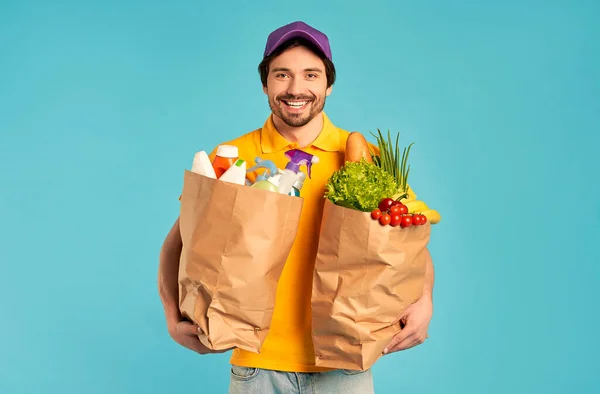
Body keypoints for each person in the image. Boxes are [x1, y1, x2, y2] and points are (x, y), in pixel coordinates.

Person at [158, 21, 435, 393]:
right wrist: (172, 317)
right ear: (265, 84)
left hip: (345, 366)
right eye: (281, 75)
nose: (295, 89)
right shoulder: (231, 157)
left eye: (310, 75)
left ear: (328, 85)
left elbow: (408, 242)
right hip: (257, 367)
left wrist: (425, 301)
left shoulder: (367, 159)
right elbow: (178, 242)